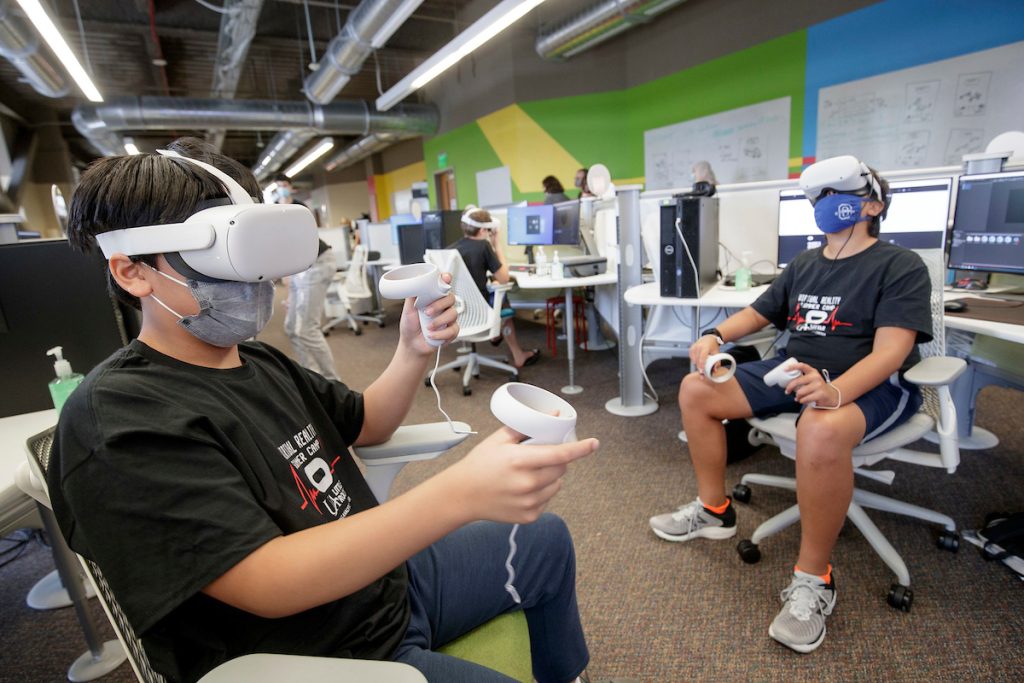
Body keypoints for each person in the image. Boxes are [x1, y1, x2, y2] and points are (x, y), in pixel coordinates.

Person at [49, 143, 608, 683]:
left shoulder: (259, 361)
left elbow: (368, 423)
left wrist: (412, 349)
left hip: (385, 586)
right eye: (219, 259)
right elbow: (266, 581)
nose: (251, 283)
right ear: (132, 272)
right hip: (324, 655)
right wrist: (459, 495)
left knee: (546, 540)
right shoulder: (119, 419)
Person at [649, 155, 932, 654]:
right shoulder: (803, 264)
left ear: (873, 204)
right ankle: (715, 511)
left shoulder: (899, 265)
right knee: (695, 390)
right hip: (795, 370)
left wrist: (836, 390)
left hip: (871, 384)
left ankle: (814, 579)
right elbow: (758, 314)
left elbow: (892, 352)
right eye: (820, 197)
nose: (827, 206)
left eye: (837, 195)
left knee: (820, 428)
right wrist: (714, 335)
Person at [450, 206, 540, 369]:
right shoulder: (483, 246)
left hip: (458, 313)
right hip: (480, 312)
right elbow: (504, 278)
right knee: (502, 296)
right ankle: (517, 354)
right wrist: (496, 244)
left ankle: (497, 335)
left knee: (495, 290)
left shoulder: (451, 249)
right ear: (483, 230)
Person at [273, 172, 340, 380]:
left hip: (316, 263)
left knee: (307, 329)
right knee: (292, 328)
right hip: (300, 267)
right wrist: (291, 293)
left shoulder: (299, 209)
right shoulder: (273, 210)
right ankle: (312, 377)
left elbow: (297, 246)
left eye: (284, 185)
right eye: (277, 186)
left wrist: (291, 281)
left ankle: (332, 382)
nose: (281, 189)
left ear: (291, 187)